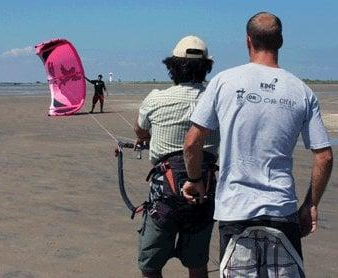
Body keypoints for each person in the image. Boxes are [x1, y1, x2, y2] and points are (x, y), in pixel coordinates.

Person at [183, 12, 333, 277]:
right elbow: (324, 157)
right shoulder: (301, 90)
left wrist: (195, 179)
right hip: (281, 210)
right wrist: (311, 205)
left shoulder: (223, 82)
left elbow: (192, 142)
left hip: (235, 211)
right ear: (281, 42)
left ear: (248, 41)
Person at [134, 35, 219, 278]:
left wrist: (146, 137)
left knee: (150, 267)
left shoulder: (156, 98)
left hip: (164, 198)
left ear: (172, 67)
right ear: (206, 67)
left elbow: (140, 129)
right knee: (198, 265)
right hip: (204, 194)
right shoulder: (216, 99)